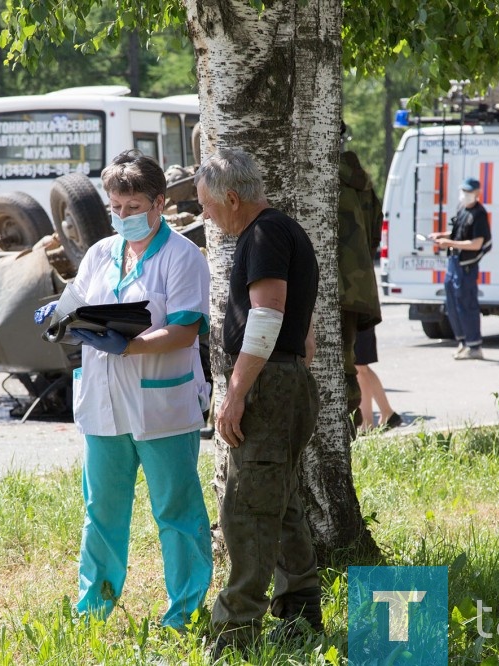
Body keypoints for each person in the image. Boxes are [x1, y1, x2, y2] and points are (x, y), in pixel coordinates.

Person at [36, 149, 213, 631]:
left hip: (163, 405)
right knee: (102, 513)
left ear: (159, 203)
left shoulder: (182, 257)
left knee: (176, 512)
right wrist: (58, 318)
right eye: (115, 208)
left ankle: (185, 612)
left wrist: (127, 347)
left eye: (132, 208)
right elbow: (77, 306)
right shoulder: (99, 254)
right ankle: (93, 609)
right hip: (103, 405)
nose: (123, 217)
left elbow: (184, 330)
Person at [194, 147, 322, 657]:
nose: (204, 214)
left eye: (206, 204)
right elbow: (306, 330)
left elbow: (267, 319)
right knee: (283, 502)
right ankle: (299, 617)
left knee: (247, 508)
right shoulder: (286, 231)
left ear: (230, 197)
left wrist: (238, 394)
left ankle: (235, 632)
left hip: (270, 384)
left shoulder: (265, 234)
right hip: (285, 380)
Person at [335, 121, 400, 431]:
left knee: (338, 362)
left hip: (333, 286)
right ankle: (352, 426)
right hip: (359, 287)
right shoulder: (363, 183)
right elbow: (376, 234)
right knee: (349, 360)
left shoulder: (318, 179)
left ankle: (350, 426)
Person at [431, 177, 492, 360]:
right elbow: (458, 232)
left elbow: (476, 243)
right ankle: (463, 342)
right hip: (453, 262)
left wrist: (449, 242)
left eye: (469, 192)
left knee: (467, 304)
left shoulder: (479, 214)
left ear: (477, 194)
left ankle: (474, 346)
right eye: (463, 191)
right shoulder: (461, 208)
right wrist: (441, 235)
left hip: (466, 266)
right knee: (452, 304)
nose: (465, 195)